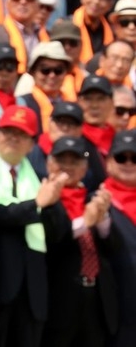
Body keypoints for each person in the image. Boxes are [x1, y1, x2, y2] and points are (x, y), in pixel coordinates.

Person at [0, 104, 64, 347]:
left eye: (21, 134)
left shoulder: (41, 178)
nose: (13, 138)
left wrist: (50, 204)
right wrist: (36, 204)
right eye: (7, 130)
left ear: (32, 143)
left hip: (32, 291)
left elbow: (58, 234)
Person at [40, 136, 117, 347]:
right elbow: (51, 242)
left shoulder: (92, 198)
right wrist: (86, 222)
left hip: (97, 297)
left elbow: (112, 249)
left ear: (85, 167)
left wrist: (102, 220)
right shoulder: (43, 197)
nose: (68, 167)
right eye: (61, 160)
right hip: (59, 299)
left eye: (75, 161)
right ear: (49, 163)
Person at [104, 130, 136, 346]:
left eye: (135, 158)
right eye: (120, 157)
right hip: (115, 317)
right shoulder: (97, 201)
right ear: (108, 161)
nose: (128, 163)